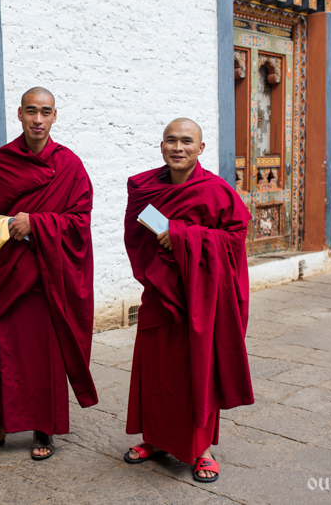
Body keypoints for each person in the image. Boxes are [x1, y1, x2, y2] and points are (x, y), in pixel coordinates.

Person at [0, 87, 98, 461]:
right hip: (10, 277)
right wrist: (8, 227)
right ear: (20, 114)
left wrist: (36, 223)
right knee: (3, 350)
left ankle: (44, 427)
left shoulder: (69, 165)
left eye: (45, 112)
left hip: (47, 280)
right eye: (31, 111)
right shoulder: (1, 162)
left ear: (55, 116)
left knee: (45, 354)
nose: (38, 119)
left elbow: (80, 222)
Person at [122, 118, 254, 483]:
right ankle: (155, 439)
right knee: (157, 369)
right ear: (161, 145)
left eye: (186, 141)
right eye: (171, 140)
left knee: (198, 371)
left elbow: (235, 239)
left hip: (202, 296)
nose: (178, 148)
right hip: (161, 293)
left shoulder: (216, 190)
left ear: (200, 148)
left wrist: (182, 235)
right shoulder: (145, 187)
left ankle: (202, 450)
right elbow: (135, 235)